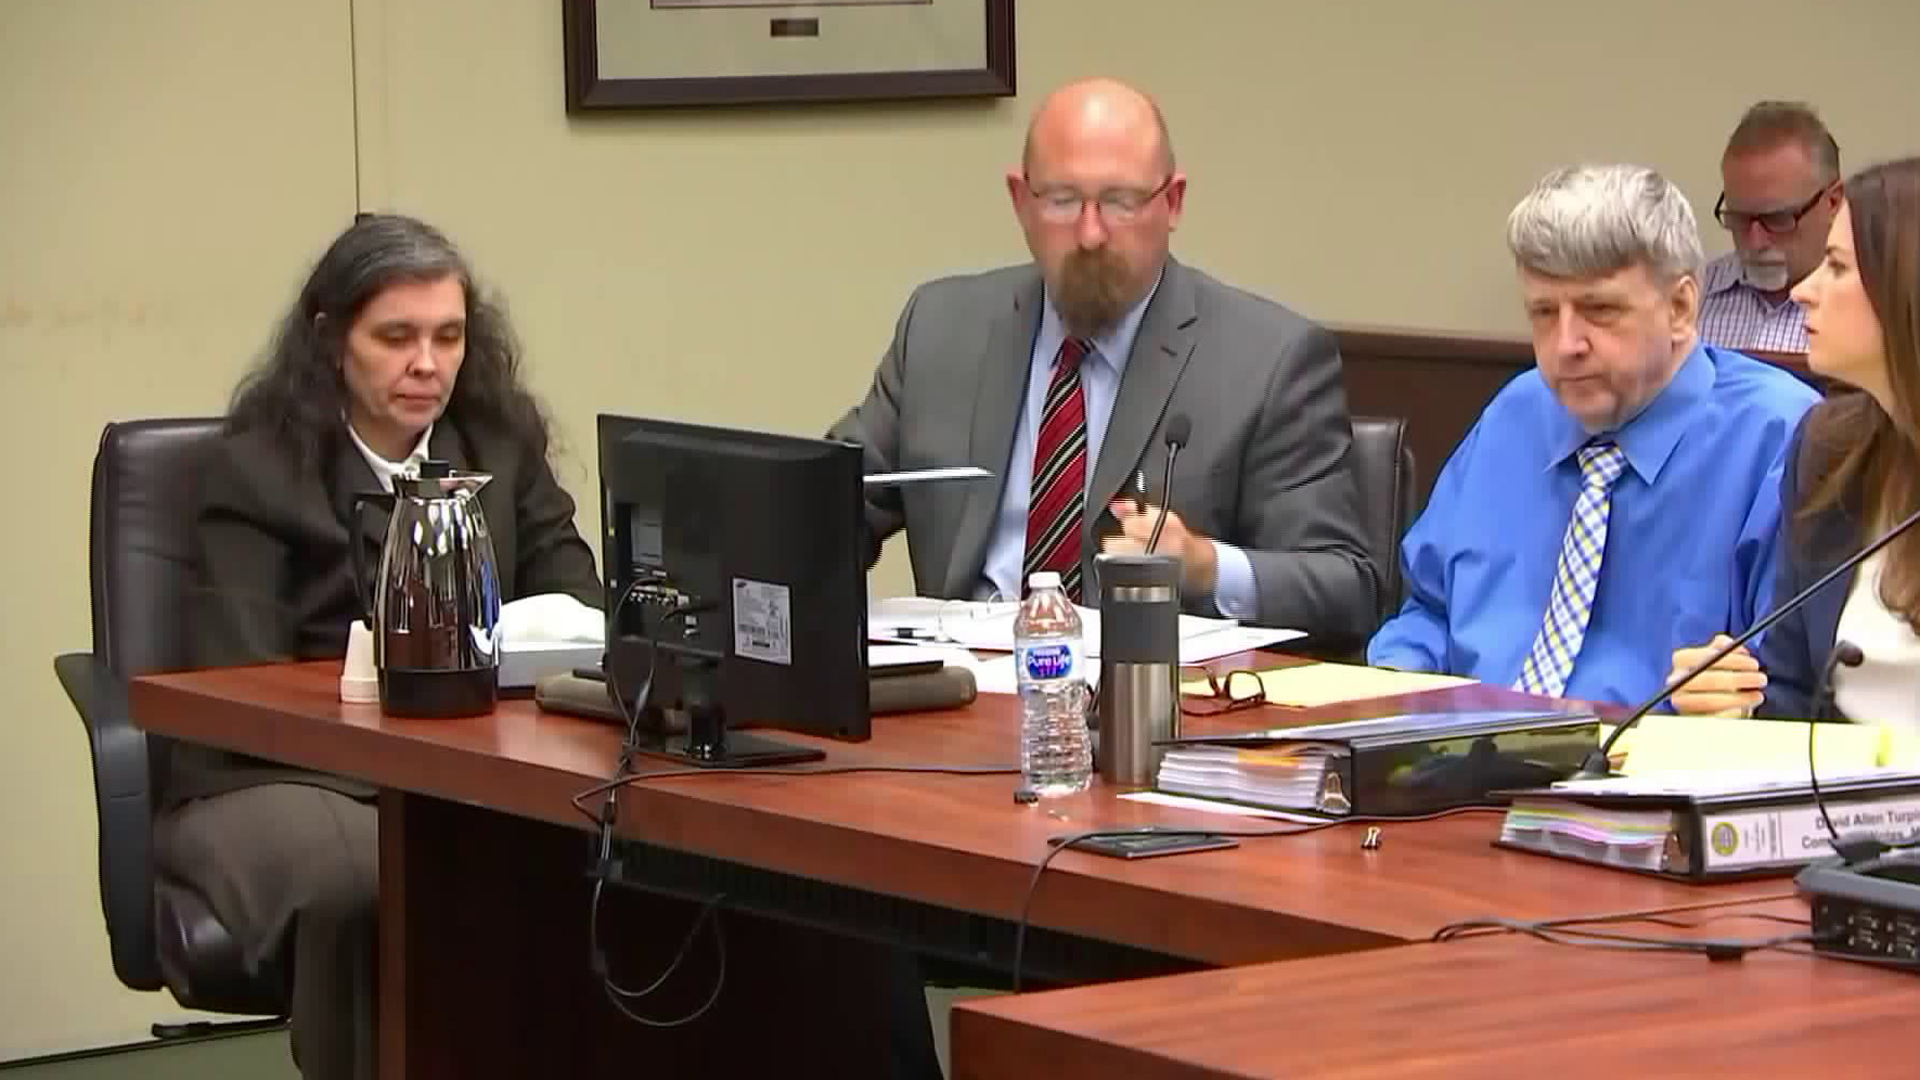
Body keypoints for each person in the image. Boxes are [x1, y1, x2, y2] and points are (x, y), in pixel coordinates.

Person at [157, 213, 603, 1079]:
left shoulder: (500, 452)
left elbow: (577, 608)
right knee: (384, 885)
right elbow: (236, 691)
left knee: (613, 867)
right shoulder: (257, 468)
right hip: (273, 781)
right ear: (331, 340)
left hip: (470, 771)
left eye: (448, 336)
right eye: (395, 337)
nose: (427, 365)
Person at [830, 77, 1377, 646]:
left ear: (1173, 203)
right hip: (961, 704)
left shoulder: (1269, 360)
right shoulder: (944, 328)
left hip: (1152, 708)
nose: (1091, 235)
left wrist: (1204, 566)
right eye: (1063, 201)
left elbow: (1346, 588)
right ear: (1021, 202)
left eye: (1120, 202)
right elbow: (828, 506)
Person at [1367, 164, 1820, 706]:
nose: (1565, 346)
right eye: (1543, 313)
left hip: (1659, 771)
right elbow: (1430, 609)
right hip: (1461, 763)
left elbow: (1789, 685)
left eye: (1599, 311)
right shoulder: (1519, 411)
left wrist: (1737, 702)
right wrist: (1392, 684)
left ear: (1680, 307)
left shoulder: (1781, 436)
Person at [1670, 158, 1920, 730]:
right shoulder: (1827, 445)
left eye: (1835, 266)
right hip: (1837, 810)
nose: (1804, 291)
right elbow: (1791, 686)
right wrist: (1737, 698)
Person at [1697, 101, 1845, 354]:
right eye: (1740, 218)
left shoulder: (1878, 311)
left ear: (1833, 202)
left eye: (1778, 219)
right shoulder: (1688, 302)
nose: (1756, 242)